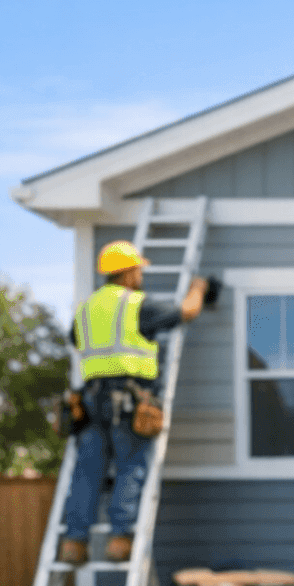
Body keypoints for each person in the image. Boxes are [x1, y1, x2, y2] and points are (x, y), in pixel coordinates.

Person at [58, 241, 209, 565]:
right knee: (130, 467)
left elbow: (74, 340)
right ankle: (119, 539)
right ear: (126, 273)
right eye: (138, 269)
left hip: (90, 400)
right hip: (128, 401)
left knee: (87, 473)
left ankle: (74, 543)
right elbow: (187, 311)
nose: (141, 275)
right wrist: (199, 287)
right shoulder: (136, 306)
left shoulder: (85, 310)